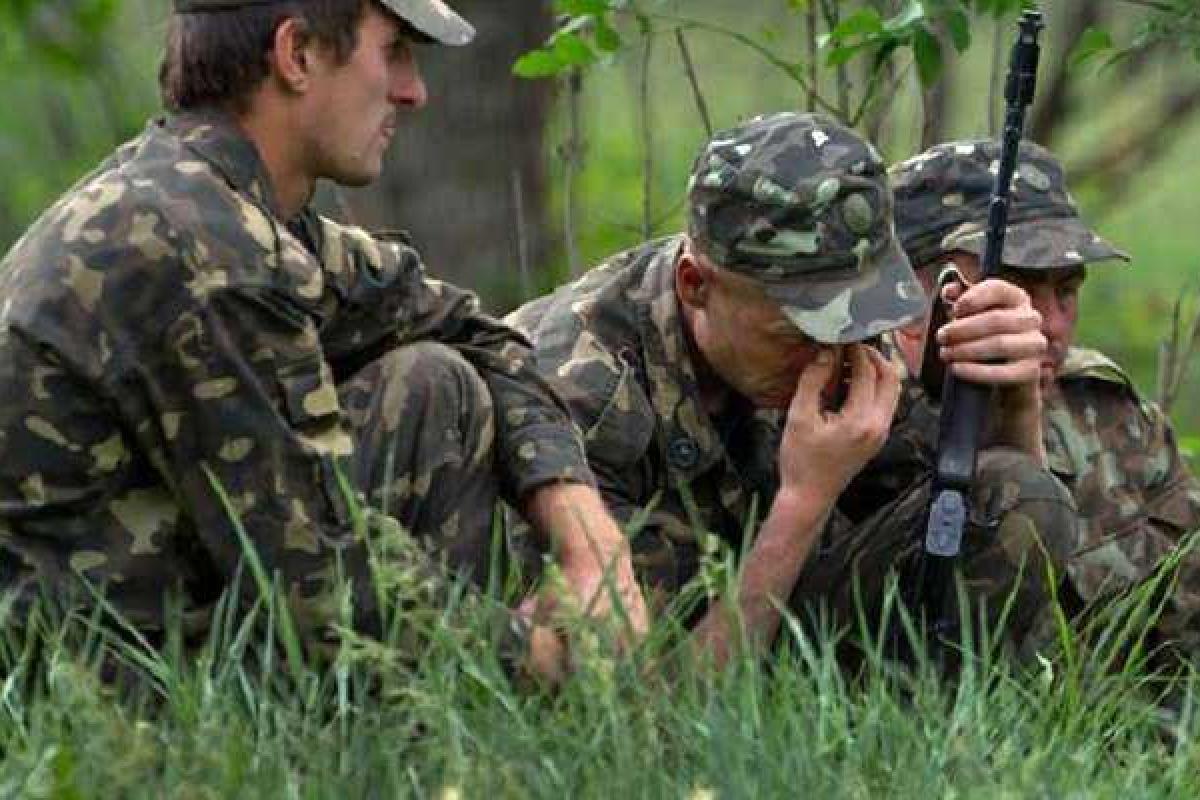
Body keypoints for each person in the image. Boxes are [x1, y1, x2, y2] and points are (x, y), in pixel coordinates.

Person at [0, 0, 647, 675]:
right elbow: (319, 579)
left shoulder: (214, 205)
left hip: (167, 619)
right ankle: (427, 747)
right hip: (111, 695)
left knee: (433, 381)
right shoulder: (197, 249)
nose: (414, 91)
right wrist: (544, 659)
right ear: (297, 55)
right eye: (392, 49)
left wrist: (585, 532)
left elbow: (473, 331)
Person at [508, 112, 1077, 669]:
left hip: (776, 618)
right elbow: (643, 713)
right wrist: (805, 501)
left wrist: (1014, 409)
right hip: (686, 666)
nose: (830, 353)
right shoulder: (572, 391)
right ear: (695, 284)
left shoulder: (841, 328)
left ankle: (899, 739)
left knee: (1016, 496)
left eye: (853, 316)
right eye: (802, 327)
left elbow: (986, 526)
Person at [888, 138, 1200, 662]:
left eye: (1066, 292)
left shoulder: (1108, 416)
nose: (1052, 325)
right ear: (916, 294)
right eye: (1019, 289)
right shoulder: (861, 427)